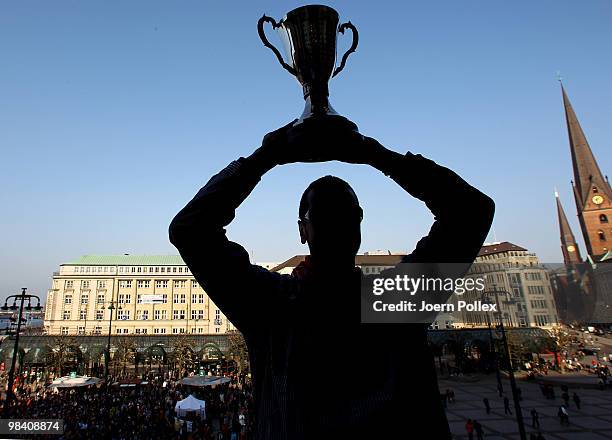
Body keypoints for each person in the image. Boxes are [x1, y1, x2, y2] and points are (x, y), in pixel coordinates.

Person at [169, 118, 495, 439]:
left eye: (345, 215)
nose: (338, 224)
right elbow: (471, 210)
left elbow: (191, 229)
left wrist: (263, 159)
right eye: (329, 216)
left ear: (302, 231)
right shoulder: (394, 300)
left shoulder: (271, 305)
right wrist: (378, 156)